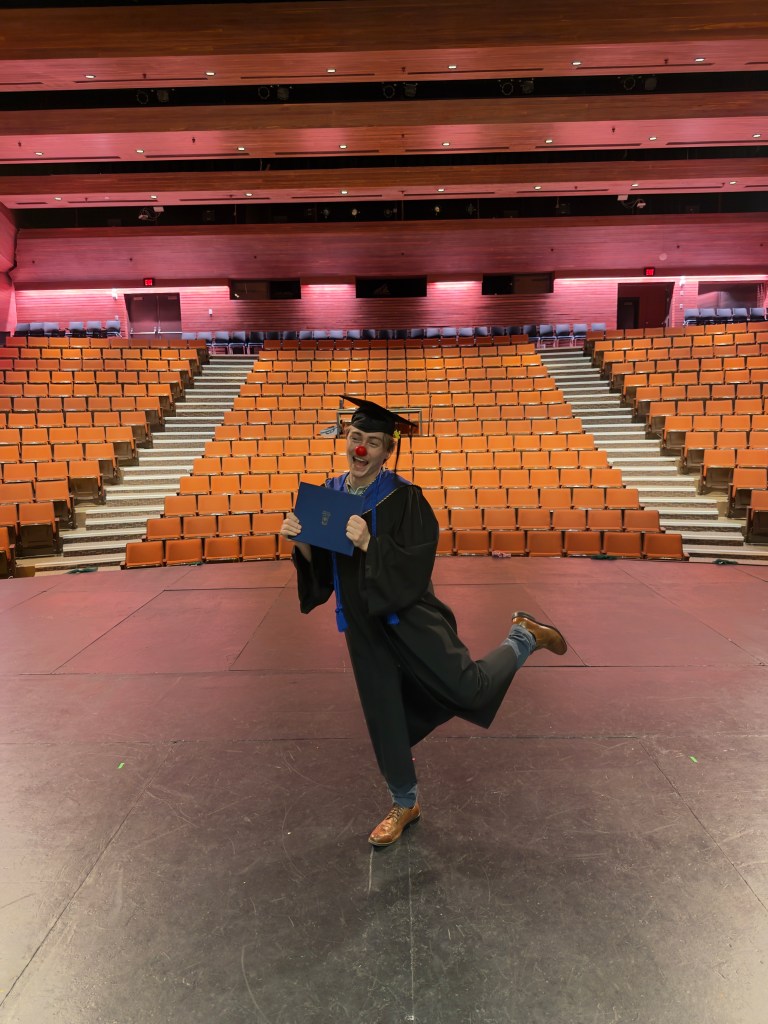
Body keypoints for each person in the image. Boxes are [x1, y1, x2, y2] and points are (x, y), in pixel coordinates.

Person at [280, 395, 568, 847]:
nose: (360, 449)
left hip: (409, 616)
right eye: (355, 437)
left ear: (386, 452)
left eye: (373, 442)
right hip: (363, 627)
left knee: (467, 688)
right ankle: (404, 802)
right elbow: (323, 580)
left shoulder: (405, 498)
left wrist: (372, 544)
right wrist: (301, 543)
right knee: (384, 717)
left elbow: (417, 566)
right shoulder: (327, 496)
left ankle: (523, 636)